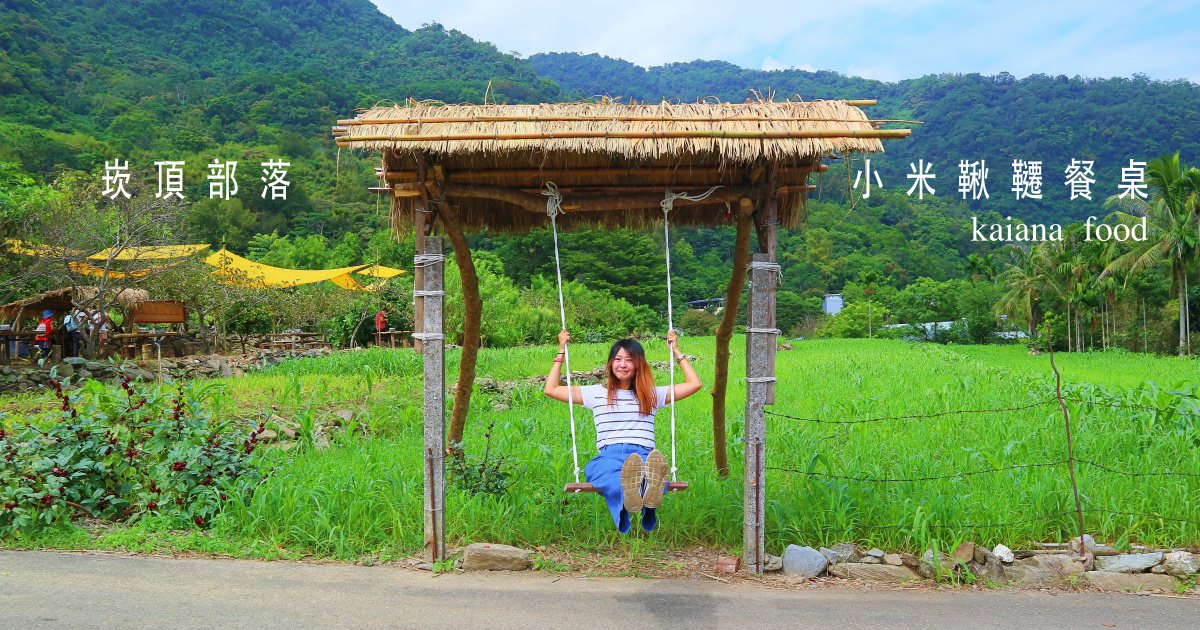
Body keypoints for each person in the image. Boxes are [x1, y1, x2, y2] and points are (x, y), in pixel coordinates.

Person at [543, 329, 702, 534]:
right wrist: (561, 351)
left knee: (651, 472)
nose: (623, 364)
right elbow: (551, 389)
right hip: (610, 456)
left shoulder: (651, 394)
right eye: (617, 359)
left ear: (638, 365)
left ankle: (644, 491)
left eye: (629, 360)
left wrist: (677, 352)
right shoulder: (596, 393)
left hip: (643, 455)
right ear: (610, 364)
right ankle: (637, 495)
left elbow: (694, 384)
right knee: (603, 473)